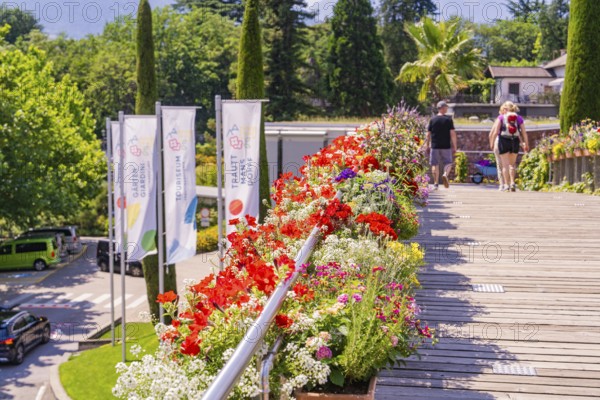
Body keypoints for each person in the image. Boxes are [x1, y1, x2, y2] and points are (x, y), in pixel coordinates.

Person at [491, 101, 529, 192]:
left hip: (504, 140)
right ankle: (512, 183)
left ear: (505, 109)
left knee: (505, 165)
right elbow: (523, 132)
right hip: (515, 141)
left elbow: (496, 131)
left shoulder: (501, 117)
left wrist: (492, 142)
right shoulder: (519, 118)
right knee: (512, 164)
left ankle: (506, 185)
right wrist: (526, 144)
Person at [426, 101, 457, 189]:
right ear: (443, 108)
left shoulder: (432, 119)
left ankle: (436, 184)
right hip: (446, 146)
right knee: (448, 163)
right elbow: (452, 134)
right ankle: (445, 174)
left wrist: (427, 145)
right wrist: (455, 146)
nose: (447, 109)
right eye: (446, 107)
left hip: (435, 146)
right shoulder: (448, 120)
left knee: (434, 164)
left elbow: (428, 134)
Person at [489, 105, 506, 191]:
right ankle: (510, 184)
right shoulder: (516, 118)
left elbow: (492, 132)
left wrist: (491, 144)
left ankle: (502, 185)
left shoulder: (500, 118)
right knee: (510, 164)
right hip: (512, 142)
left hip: (499, 142)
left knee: (500, 164)